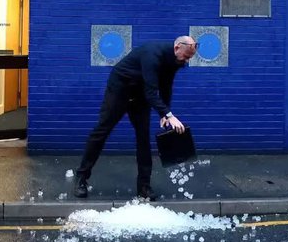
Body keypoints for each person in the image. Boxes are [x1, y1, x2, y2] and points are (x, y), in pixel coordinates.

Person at [74, 35, 196, 201]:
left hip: (140, 94)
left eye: (190, 57)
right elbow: (151, 92)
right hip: (120, 90)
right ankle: (81, 178)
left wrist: (164, 113)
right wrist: (169, 115)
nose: (187, 61)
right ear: (177, 48)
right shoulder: (152, 55)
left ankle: (144, 187)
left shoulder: (175, 61)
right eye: (186, 56)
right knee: (101, 132)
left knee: (143, 138)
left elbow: (166, 86)